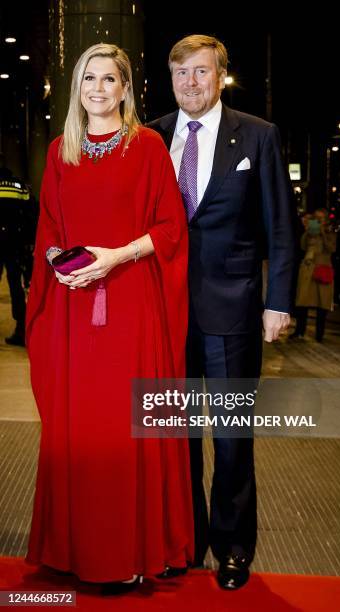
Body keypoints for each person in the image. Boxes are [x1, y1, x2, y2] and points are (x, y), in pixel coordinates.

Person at [25, 43, 194, 590]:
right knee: (80, 427)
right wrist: (61, 264)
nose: (98, 89)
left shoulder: (147, 147)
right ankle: (76, 551)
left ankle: (135, 551)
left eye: (109, 80)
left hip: (130, 306)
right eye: (88, 79)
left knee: (127, 428)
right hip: (74, 309)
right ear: (78, 88)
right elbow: (49, 230)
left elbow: (171, 228)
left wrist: (115, 257)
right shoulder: (60, 151)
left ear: (126, 88)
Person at [149, 34, 297, 590]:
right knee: (173, 435)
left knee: (232, 436)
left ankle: (233, 547)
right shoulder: (149, 136)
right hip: (161, 313)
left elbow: (281, 224)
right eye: (181, 73)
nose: (191, 82)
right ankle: (183, 541)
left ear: (221, 76)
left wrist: (278, 300)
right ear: (171, 80)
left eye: (202, 72)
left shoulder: (258, 136)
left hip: (233, 312)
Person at [0, 158, 36, 347]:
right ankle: (21, 329)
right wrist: (29, 241)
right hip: (15, 242)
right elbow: (31, 213)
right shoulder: (19, 186)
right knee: (16, 286)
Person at [291, 208, 337, 342]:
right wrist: (308, 232)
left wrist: (322, 233)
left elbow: (331, 248)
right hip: (308, 270)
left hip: (322, 270)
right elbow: (303, 246)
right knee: (303, 302)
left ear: (327, 220)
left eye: (321, 218)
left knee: (322, 304)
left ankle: (319, 334)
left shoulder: (330, 233)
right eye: (316, 218)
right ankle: (299, 331)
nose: (318, 220)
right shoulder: (311, 232)